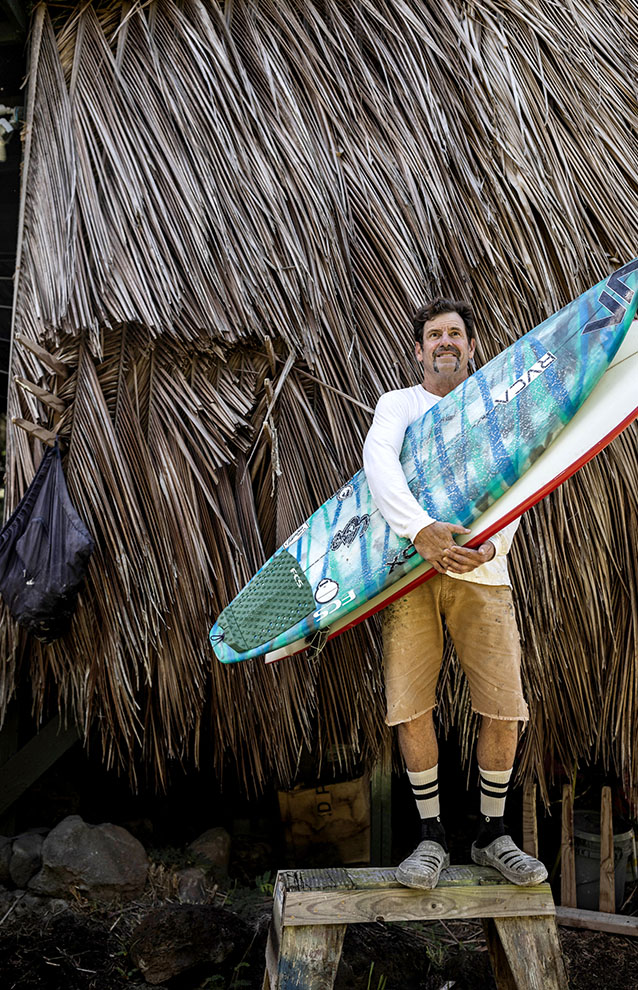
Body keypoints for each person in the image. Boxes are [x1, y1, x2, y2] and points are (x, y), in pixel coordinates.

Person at [363, 297, 548, 889]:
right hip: (408, 573)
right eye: (435, 334)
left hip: (483, 572)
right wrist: (420, 531)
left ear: (471, 347)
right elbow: (378, 462)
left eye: (456, 334)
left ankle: (492, 833)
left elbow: (518, 473)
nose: (446, 341)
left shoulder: (495, 407)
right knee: (411, 703)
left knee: (504, 704)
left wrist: (491, 546)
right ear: (419, 351)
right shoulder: (398, 406)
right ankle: (431, 837)